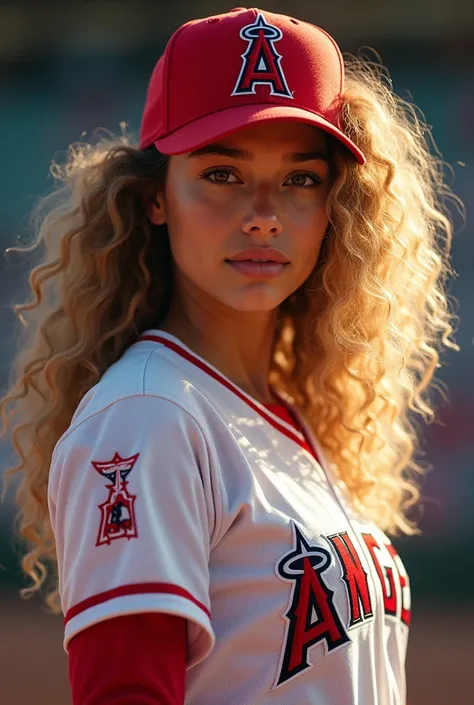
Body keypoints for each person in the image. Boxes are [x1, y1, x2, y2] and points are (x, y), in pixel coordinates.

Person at [0, 6, 461, 705]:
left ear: (339, 205)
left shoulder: (276, 412)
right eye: (222, 173)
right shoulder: (149, 416)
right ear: (156, 197)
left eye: (301, 177)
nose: (264, 212)